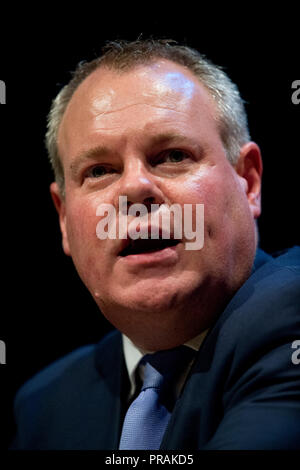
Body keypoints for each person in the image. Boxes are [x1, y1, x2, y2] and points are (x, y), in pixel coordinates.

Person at [11, 39, 300, 450]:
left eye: (172, 155)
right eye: (99, 170)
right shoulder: (46, 404)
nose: (134, 188)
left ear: (248, 182)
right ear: (62, 217)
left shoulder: (292, 318)